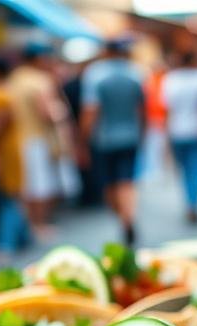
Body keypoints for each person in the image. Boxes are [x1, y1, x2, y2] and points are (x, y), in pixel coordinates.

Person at [80, 38, 146, 246]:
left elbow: (90, 111)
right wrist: (143, 133)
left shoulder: (95, 74)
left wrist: (83, 140)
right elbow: (141, 109)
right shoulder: (135, 72)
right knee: (126, 181)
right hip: (130, 136)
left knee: (109, 186)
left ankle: (123, 218)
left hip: (104, 139)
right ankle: (128, 218)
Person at [8, 42, 71, 242]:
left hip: (17, 140)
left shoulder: (14, 78)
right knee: (41, 186)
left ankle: (28, 226)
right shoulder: (41, 81)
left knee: (26, 187)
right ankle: (39, 225)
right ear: (38, 59)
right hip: (38, 139)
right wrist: (61, 112)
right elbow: (47, 113)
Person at [161, 52, 197, 223]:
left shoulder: (171, 79)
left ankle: (190, 202)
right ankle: (193, 202)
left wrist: (167, 135)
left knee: (185, 170)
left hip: (178, 131)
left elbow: (167, 111)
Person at [0, 56, 28, 254]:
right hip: (1, 150)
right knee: (7, 196)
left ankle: (6, 243)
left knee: (8, 196)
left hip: (3, 151)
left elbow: (0, 125)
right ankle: (22, 236)